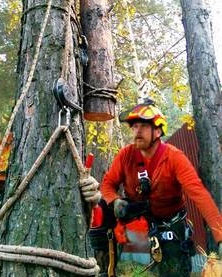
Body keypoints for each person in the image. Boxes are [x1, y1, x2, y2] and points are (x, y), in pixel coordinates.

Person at [80, 99, 222, 277]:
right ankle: (102, 269)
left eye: (143, 126)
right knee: (101, 205)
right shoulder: (126, 155)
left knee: (174, 271)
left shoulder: (174, 158)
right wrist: (114, 201)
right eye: (134, 126)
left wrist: (220, 235)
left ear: (157, 130)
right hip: (137, 222)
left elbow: (199, 194)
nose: (137, 131)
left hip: (170, 224)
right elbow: (107, 184)